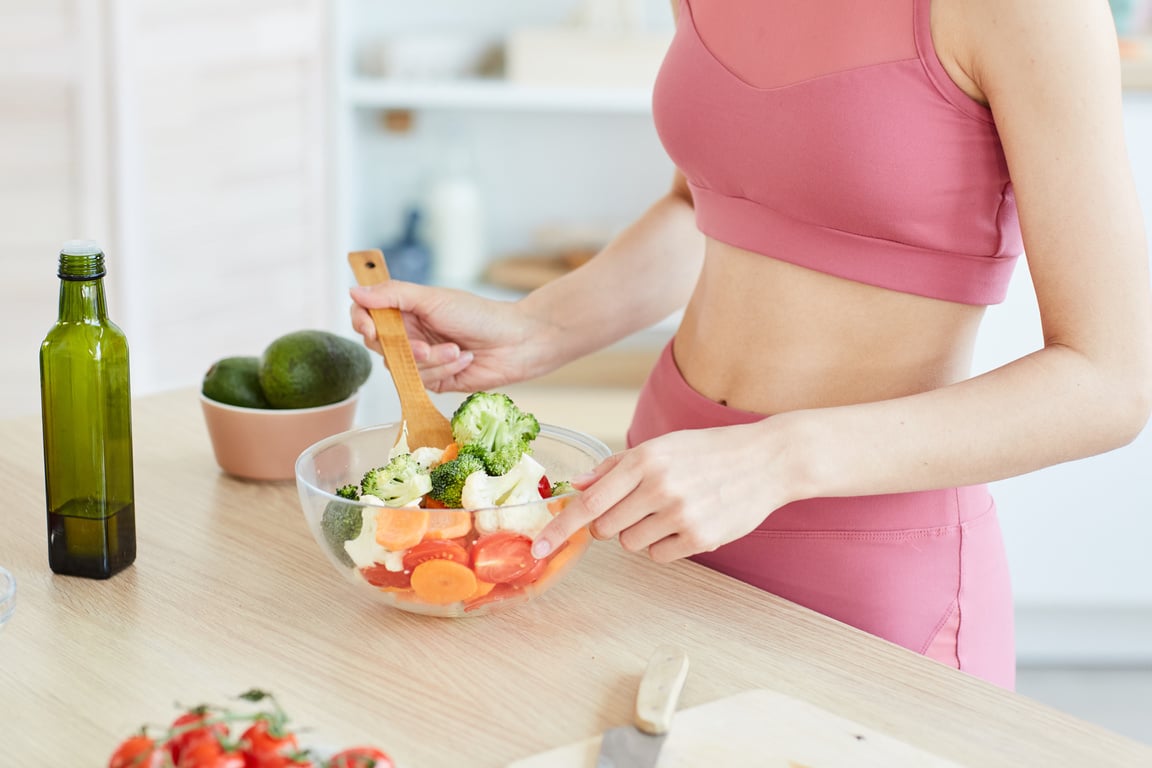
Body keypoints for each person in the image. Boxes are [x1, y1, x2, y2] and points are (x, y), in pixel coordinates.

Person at [350, 0, 1152, 689]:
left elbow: (1109, 384)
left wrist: (775, 458)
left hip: (865, 555)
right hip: (659, 503)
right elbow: (703, 205)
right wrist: (543, 327)